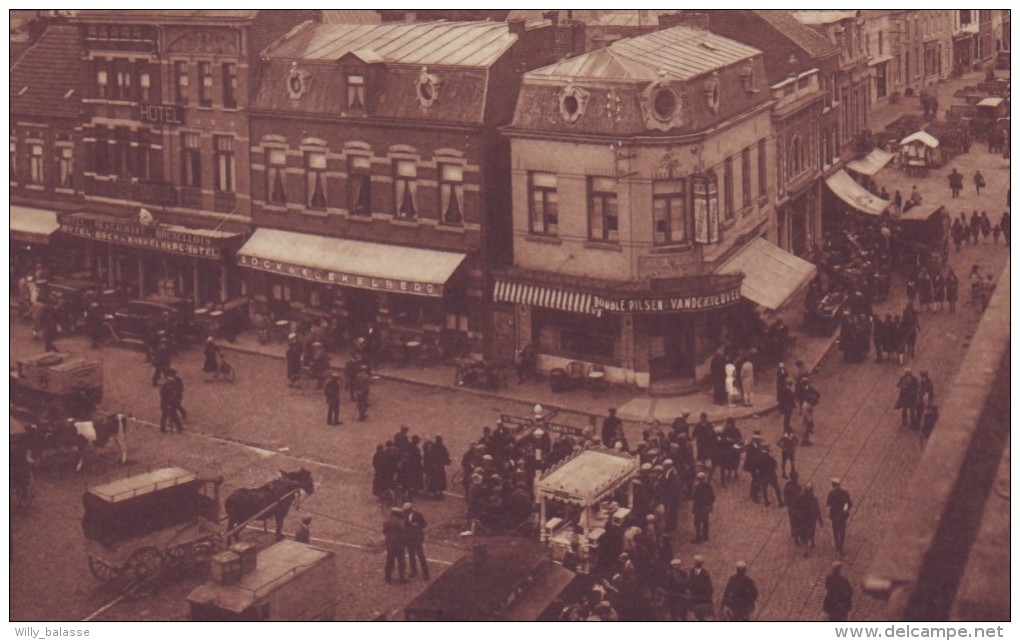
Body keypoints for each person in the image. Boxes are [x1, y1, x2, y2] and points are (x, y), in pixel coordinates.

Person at [792, 482, 823, 555]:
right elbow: (793, 507)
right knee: (806, 533)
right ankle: (806, 548)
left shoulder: (811, 498)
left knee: (811, 531)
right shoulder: (802, 498)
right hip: (805, 519)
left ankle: (812, 542)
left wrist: (820, 520)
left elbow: (817, 509)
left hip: (810, 518)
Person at [403, 503, 430, 581]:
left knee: (420, 556)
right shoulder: (404, 516)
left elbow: (424, 524)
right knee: (411, 556)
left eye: (405, 511)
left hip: (417, 539)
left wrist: (417, 525)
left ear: (409, 510)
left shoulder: (418, 515)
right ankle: (414, 571)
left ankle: (426, 574)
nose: (404, 512)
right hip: (409, 539)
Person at [827, 479, 853, 556]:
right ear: (839, 485)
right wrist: (845, 509)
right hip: (842, 516)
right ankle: (841, 547)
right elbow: (850, 504)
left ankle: (837, 546)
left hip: (834, 516)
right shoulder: (845, 493)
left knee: (835, 532)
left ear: (833, 485)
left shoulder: (831, 493)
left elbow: (828, 503)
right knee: (842, 532)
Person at [383, 506, 407, 584]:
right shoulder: (401, 522)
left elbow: (384, 532)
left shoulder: (386, 521)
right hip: (399, 545)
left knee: (389, 561)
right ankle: (401, 579)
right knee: (401, 562)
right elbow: (403, 535)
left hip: (389, 544)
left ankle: (387, 578)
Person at [688, 556, 714, 621]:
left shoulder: (705, 574)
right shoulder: (692, 571)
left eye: (696, 562)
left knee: (702, 617)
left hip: (702, 601)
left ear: (700, 563)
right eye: (695, 561)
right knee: (696, 616)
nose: (695, 563)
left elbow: (709, 588)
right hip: (694, 599)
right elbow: (690, 583)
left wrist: (704, 596)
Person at [691, 472, 714, 543]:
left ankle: (698, 538)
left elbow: (695, 497)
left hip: (699, 507)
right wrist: (710, 505)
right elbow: (712, 497)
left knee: (697, 523)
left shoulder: (698, 487)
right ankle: (705, 536)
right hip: (706, 507)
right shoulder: (708, 486)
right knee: (705, 522)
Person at [159, 370, 183, 434]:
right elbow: (164, 396)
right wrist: (168, 404)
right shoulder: (166, 387)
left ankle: (164, 428)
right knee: (168, 416)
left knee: (168, 416)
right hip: (167, 404)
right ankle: (178, 428)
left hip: (170, 403)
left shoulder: (171, 385)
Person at [783, 471, 803, 543]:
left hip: (790, 506)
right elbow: (800, 496)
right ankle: (797, 537)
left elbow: (785, 494)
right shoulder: (798, 487)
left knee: (792, 520)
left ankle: (793, 533)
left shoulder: (787, 485)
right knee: (798, 522)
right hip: (797, 507)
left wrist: (786, 502)